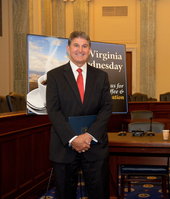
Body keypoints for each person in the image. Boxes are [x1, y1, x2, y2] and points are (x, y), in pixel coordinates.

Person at [46, 31, 113, 199]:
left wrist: (89, 136)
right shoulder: (54, 76)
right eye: (76, 45)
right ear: (68, 49)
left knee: (99, 193)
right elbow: (53, 110)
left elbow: (106, 108)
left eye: (84, 46)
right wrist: (72, 139)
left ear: (90, 50)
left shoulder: (101, 76)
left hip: (95, 145)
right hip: (64, 146)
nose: (80, 50)